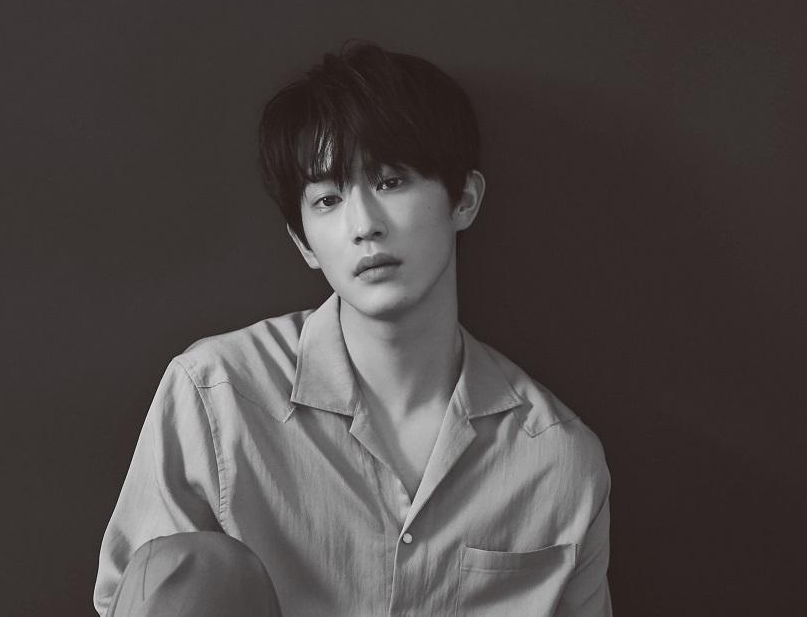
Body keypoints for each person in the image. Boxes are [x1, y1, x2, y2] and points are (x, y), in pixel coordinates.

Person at [94, 42, 612, 616]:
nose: (364, 224)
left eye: (390, 182)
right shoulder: (217, 394)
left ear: (463, 199)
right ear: (303, 243)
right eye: (328, 199)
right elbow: (140, 599)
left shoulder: (558, 458)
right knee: (192, 566)